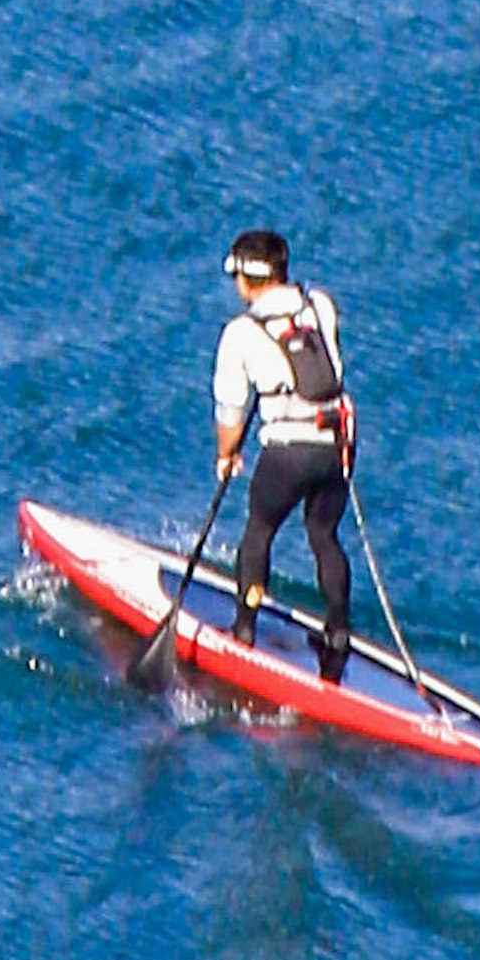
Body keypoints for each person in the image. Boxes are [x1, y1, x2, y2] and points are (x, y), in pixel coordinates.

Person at [211, 225, 354, 681]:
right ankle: (337, 635)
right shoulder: (322, 305)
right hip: (338, 446)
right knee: (324, 535)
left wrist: (226, 455)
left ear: (244, 280)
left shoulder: (240, 332)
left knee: (259, 531)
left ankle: (244, 629)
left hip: (289, 452)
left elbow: (231, 412)